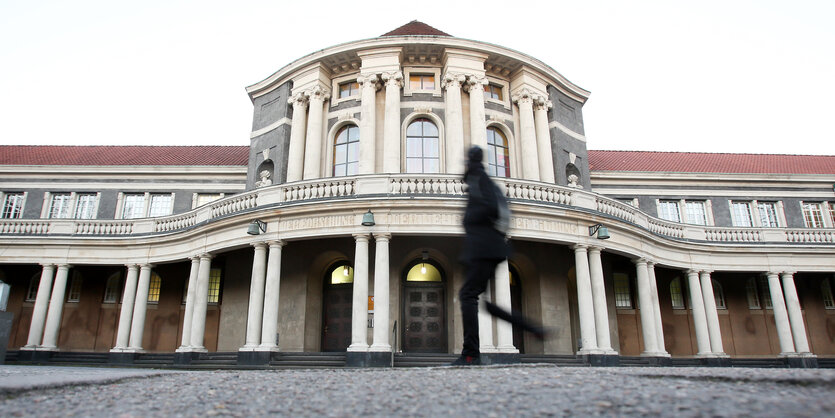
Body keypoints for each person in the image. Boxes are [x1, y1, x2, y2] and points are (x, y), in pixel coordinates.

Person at [452, 146, 544, 366]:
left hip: (484, 249)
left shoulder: (478, 179)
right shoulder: (480, 180)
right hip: (488, 249)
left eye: (467, 159)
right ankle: (533, 328)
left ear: (471, 160)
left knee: (468, 296)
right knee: (479, 299)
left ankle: (471, 354)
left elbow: (491, 208)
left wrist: (471, 219)